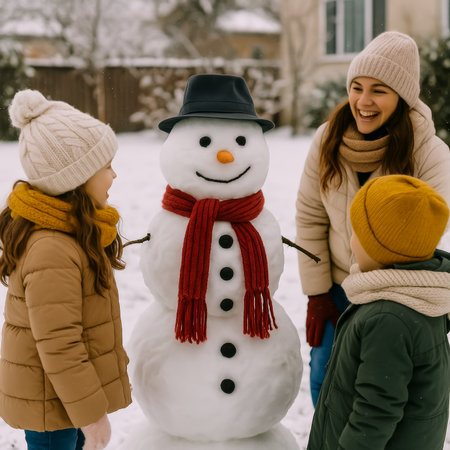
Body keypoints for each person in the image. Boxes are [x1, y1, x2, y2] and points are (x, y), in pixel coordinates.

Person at [295, 30, 450, 406]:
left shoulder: (428, 152)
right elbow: (311, 216)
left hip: (397, 294)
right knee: (324, 380)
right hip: (337, 289)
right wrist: (318, 294)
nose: (363, 101)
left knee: (381, 395)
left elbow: (423, 234)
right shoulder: (327, 139)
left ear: (402, 97)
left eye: (378, 90)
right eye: (357, 87)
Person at [0, 90, 132, 450]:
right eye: (106, 166)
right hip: (53, 410)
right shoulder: (52, 250)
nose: (114, 175)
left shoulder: (70, 235)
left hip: (63, 401)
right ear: (76, 178)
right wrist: (92, 417)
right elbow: (60, 345)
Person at [307, 174, 450, 450]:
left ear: (383, 247)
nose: (350, 241)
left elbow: (374, 414)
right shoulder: (418, 297)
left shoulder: (389, 319)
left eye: (357, 232)